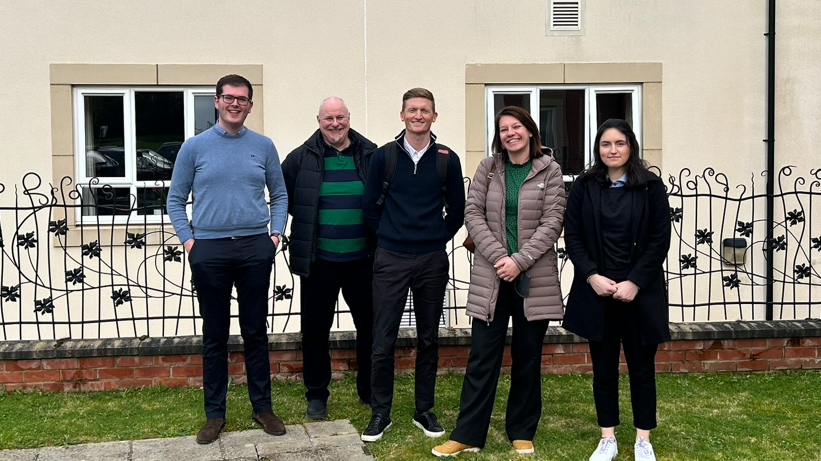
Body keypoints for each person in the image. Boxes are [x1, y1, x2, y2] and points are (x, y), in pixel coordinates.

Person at [431, 106, 566, 457]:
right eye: (504, 128)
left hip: (533, 278)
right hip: (491, 277)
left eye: (516, 126)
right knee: (482, 357)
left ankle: (521, 429)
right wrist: (499, 258)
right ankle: (468, 434)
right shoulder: (488, 168)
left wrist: (519, 261)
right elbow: (471, 213)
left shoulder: (550, 170)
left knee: (527, 356)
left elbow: (553, 221)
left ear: (530, 131)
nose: (510, 133)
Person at [167, 74, 288, 444]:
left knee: (255, 330)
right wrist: (190, 243)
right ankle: (214, 414)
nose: (235, 104)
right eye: (228, 97)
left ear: (250, 105)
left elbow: (280, 194)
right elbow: (174, 199)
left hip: (254, 247)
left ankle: (262, 407)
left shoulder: (264, 146)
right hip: (210, 251)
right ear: (217, 102)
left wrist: (274, 235)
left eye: (242, 99)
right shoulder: (194, 147)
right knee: (214, 334)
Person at [360, 88, 466, 442]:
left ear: (434, 117)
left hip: (432, 259)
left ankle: (424, 410)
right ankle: (380, 413)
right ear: (402, 115)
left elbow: (458, 210)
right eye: (412, 110)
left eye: (425, 110)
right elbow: (370, 208)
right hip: (390, 258)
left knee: (428, 338)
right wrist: (390, 236)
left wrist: (436, 236)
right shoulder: (384, 156)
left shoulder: (446, 159)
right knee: (382, 339)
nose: (418, 115)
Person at [562, 119, 671, 461]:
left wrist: (635, 281)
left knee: (641, 369)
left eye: (619, 143)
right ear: (598, 149)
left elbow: (659, 239)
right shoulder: (585, 185)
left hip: (640, 294)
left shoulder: (651, 186)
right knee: (603, 369)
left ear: (631, 147)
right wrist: (591, 275)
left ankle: (643, 438)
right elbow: (573, 236)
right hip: (599, 293)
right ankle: (607, 437)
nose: (612, 150)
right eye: (606, 144)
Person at [281, 97, 377, 420]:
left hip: (363, 259)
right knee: (315, 330)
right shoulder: (299, 159)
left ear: (349, 118)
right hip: (319, 261)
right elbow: (291, 199)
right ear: (318, 120)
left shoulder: (370, 154)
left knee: (370, 327)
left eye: (340, 117)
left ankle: (369, 389)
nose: (334, 124)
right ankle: (317, 395)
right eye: (328, 119)